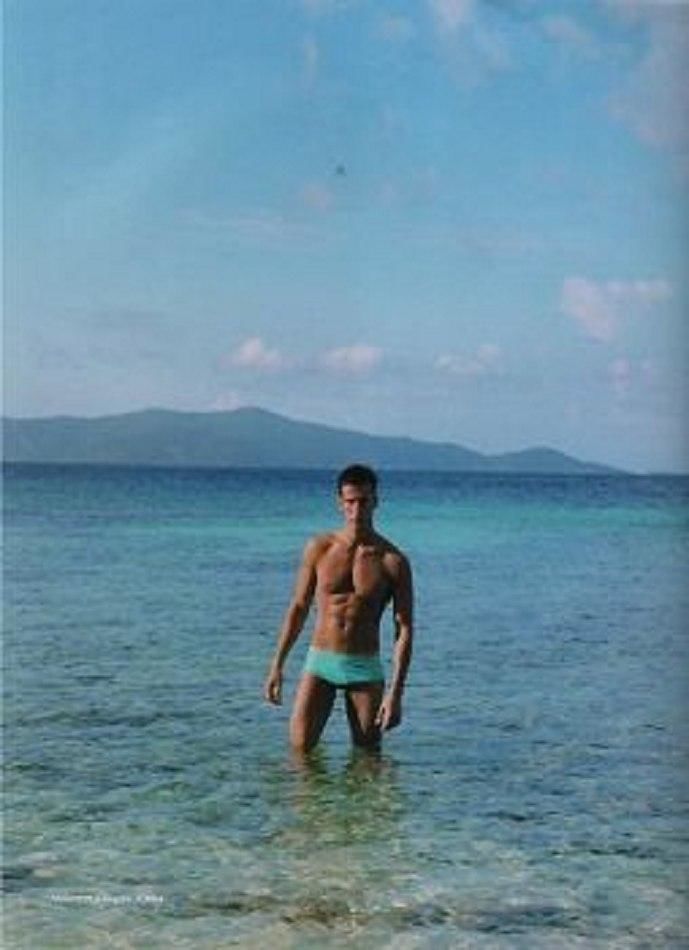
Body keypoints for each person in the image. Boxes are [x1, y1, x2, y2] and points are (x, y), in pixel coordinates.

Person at [263, 464, 414, 753]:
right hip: (320, 662)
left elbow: (404, 629)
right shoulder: (319, 548)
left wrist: (396, 693)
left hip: (364, 666)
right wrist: (277, 666)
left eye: (364, 501)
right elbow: (298, 607)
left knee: (368, 759)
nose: (356, 510)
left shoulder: (393, 561)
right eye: (350, 502)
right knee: (300, 755)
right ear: (339, 503)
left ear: (376, 501)